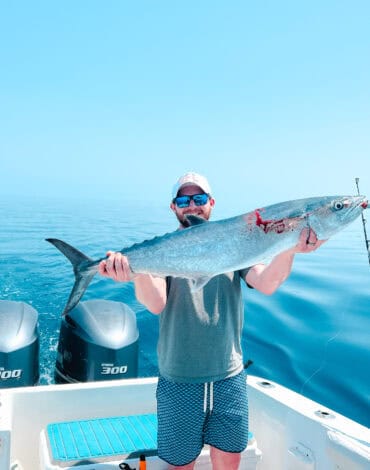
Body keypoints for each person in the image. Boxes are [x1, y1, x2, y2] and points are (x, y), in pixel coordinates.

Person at [98, 172, 324, 470]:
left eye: (199, 198)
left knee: (230, 459)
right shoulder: (161, 252)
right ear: (173, 207)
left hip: (228, 376)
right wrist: (134, 272)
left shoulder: (238, 241)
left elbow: (267, 283)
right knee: (181, 464)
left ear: (211, 203)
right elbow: (155, 303)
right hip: (179, 378)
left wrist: (290, 249)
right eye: (183, 199)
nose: (192, 205)